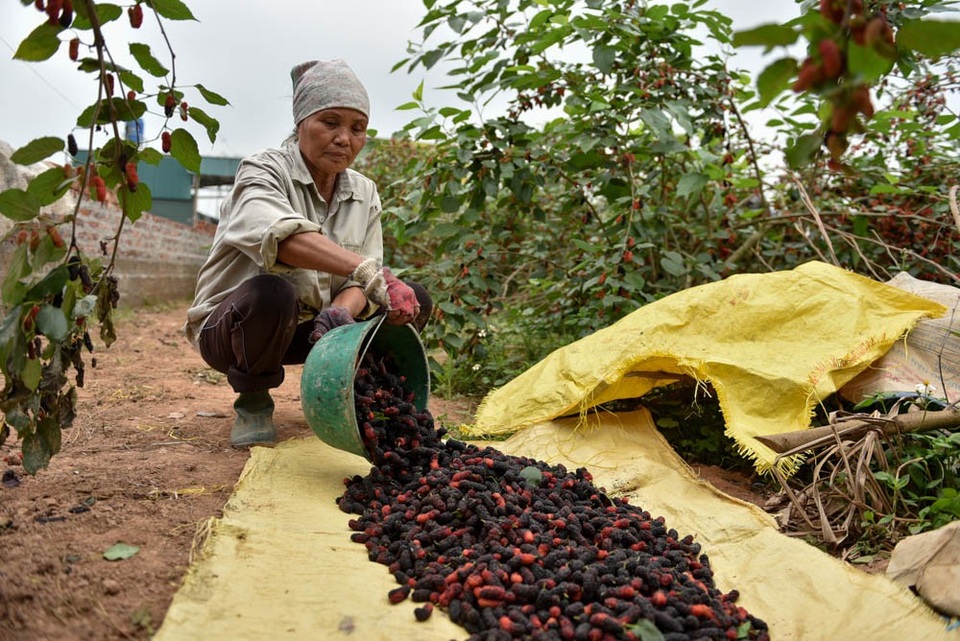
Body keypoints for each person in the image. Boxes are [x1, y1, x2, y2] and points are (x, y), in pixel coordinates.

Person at [183, 59, 432, 448]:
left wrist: (341, 311)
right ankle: (253, 401)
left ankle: (368, 399)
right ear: (300, 123)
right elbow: (282, 239)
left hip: (312, 329)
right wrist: (369, 273)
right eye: (330, 123)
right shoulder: (262, 171)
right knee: (271, 292)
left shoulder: (364, 192)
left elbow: (361, 281)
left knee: (413, 297)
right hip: (235, 332)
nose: (344, 138)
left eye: (357, 128)